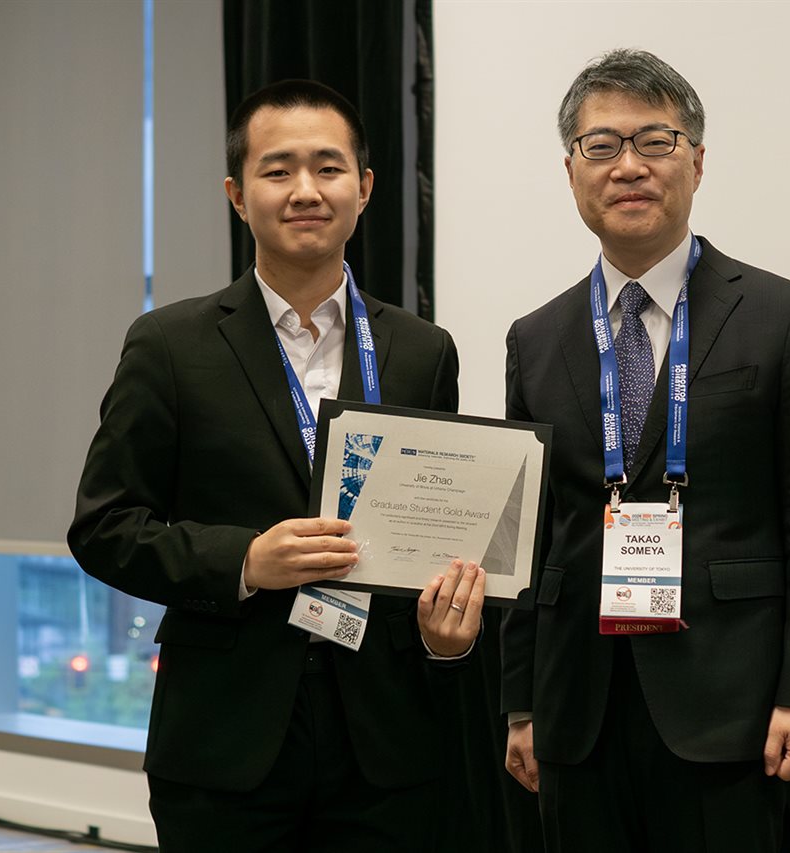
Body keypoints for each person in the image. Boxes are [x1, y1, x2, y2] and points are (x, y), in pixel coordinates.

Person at [69, 79, 484, 853]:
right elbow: (103, 526)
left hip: (388, 741)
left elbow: (437, 527)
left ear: (363, 189)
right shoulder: (170, 346)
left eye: (328, 168)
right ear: (237, 193)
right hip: (226, 738)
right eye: (277, 169)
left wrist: (446, 627)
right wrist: (246, 560)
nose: (305, 190)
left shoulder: (423, 351)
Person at [500, 49, 790, 852]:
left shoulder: (783, 316)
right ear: (571, 172)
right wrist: (521, 703)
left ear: (696, 161)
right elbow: (529, 539)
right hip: (577, 709)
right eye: (602, 146)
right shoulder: (538, 336)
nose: (629, 165)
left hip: (732, 704)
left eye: (655, 141)